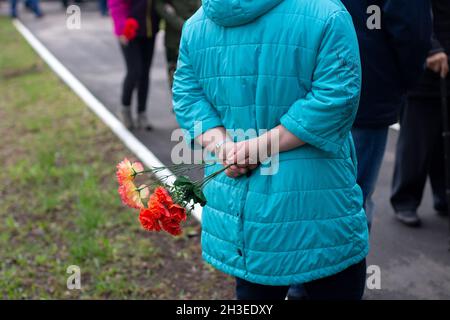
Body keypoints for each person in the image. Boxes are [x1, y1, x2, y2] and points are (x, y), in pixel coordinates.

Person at [173, 0, 369, 300]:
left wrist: (223, 147)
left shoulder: (196, 25)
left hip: (242, 204)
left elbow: (188, 96)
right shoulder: (327, 13)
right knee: (333, 279)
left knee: (256, 290)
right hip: (319, 208)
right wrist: (258, 147)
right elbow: (337, 97)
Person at [339, 0, 432, 229]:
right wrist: (405, 82)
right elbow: (412, 33)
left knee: (326, 195)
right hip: (369, 89)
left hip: (319, 85)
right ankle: (351, 263)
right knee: (354, 199)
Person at [391, 0, 450, 227]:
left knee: (444, 141)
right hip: (424, 72)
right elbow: (410, 19)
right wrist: (431, 48)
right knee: (416, 143)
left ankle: (443, 196)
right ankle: (405, 200)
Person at [108, 0, 160, 130]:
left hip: (150, 29)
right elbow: (116, 3)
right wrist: (121, 28)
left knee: (145, 73)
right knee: (134, 71)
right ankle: (124, 109)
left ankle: (141, 113)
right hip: (129, 30)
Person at [155, 0, 200, 91]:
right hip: (175, 39)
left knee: (199, 80)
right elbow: (160, 5)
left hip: (198, 36)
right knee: (177, 81)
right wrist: (183, 25)